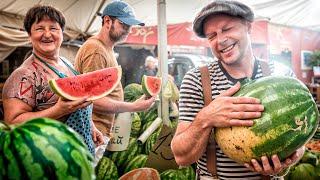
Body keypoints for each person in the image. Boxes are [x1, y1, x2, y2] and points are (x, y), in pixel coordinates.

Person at [171, 1, 304, 179]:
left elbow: (299, 136)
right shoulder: (196, 80)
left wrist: (287, 161)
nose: (220, 40)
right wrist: (206, 118)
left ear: (248, 27)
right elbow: (181, 157)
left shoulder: (282, 74)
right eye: (211, 36)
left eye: (226, 29)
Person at [2, 5, 104, 155]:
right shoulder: (23, 75)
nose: (47, 34)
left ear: (62, 33)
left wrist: (91, 127)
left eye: (54, 28)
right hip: (50, 156)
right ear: (29, 35)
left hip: (80, 151)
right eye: (39, 28)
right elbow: (13, 123)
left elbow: (78, 103)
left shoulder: (67, 63)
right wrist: (58, 110)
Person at [74, 1, 155, 139]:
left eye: (130, 26)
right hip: (91, 131)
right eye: (123, 24)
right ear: (107, 21)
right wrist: (133, 106)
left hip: (99, 131)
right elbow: (92, 100)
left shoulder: (106, 48)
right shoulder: (96, 50)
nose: (128, 30)